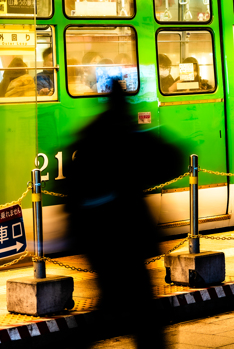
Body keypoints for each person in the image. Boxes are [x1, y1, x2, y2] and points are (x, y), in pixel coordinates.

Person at [65, 84, 182, 349]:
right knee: (142, 311)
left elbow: (72, 190)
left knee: (112, 304)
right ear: (123, 106)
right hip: (124, 236)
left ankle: (78, 340)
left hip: (96, 238)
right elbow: (172, 157)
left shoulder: (87, 135)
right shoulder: (126, 133)